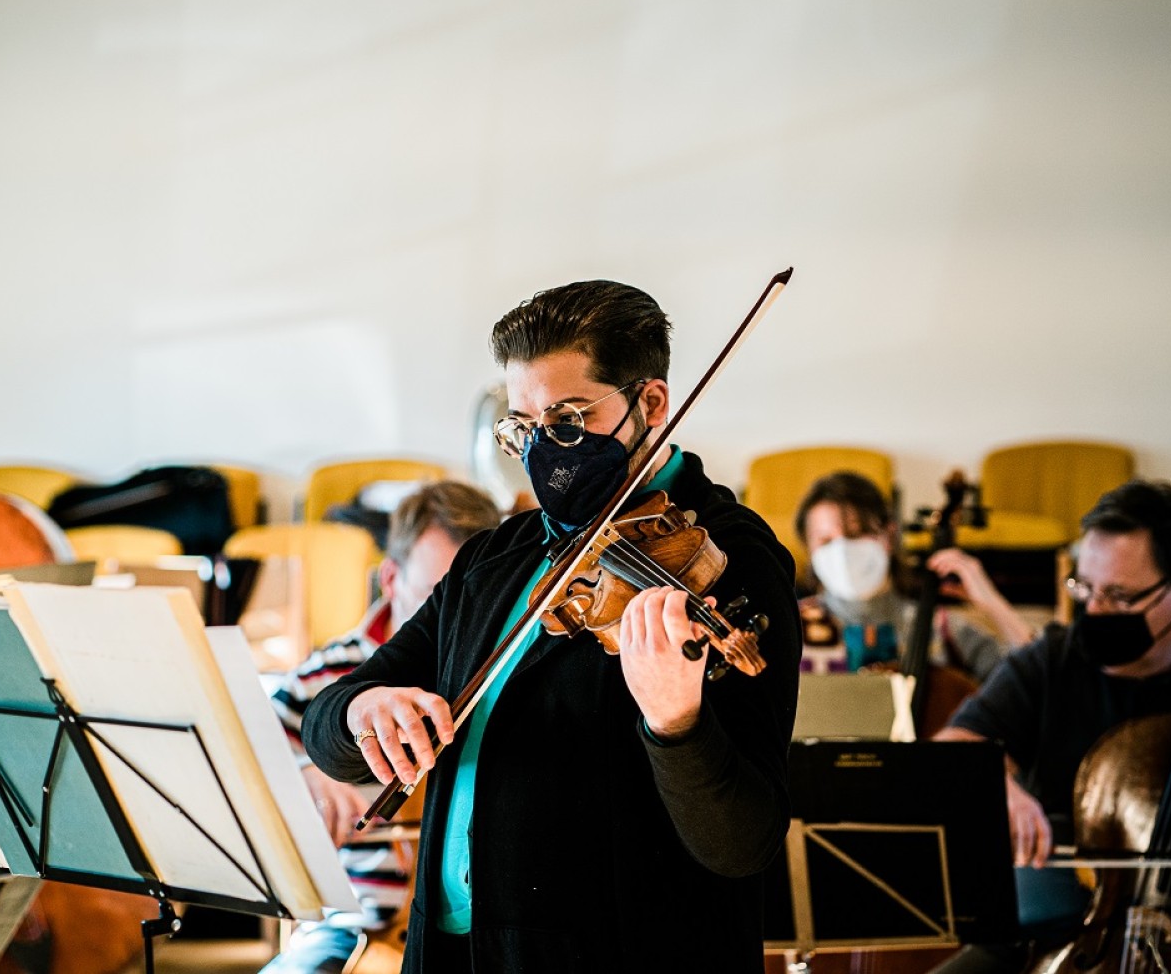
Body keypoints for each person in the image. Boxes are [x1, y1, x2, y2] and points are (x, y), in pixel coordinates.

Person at [301, 280, 801, 973]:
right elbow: (329, 723)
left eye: (567, 420)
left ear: (651, 404)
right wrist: (364, 711)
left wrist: (676, 723)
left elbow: (742, 842)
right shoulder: (494, 557)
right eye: (523, 426)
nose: (544, 448)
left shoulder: (729, 559)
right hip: (453, 952)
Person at [934, 480, 1171, 972]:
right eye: (1085, 588)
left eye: (1118, 596)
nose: (1093, 611)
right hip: (1062, 935)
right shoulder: (1055, 659)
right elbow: (952, 748)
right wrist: (994, 783)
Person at [264, 480, 503, 974]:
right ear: (391, 579)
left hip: (481, 934)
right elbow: (246, 791)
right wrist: (302, 780)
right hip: (354, 929)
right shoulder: (319, 681)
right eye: (437, 598)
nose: (455, 622)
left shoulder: (504, 678)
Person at [795, 471, 1034, 677]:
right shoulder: (789, 628)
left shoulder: (942, 629)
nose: (841, 551)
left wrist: (993, 604)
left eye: (856, 533)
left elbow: (1034, 683)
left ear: (890, 535)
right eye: (825, 541)